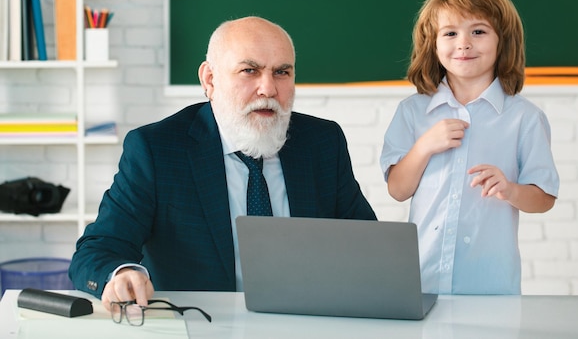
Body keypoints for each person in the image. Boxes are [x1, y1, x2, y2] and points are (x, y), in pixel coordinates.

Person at [69, 16, 376, 310]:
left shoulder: (322, 142)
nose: (269, 89)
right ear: (210, 79)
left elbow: (367, 245)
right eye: (250, 71)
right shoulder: (156, 149)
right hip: (202, 326)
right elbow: (98, 249)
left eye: (282, 72)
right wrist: (120, 275)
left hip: (304, 322)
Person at [380, 0, 559, 295]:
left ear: (502, 40)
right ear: (432, 44)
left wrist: (510, 190)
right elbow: (397, 189)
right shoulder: (412, 112)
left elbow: (544, 198)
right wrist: (424, 147)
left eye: (478, 31)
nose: (463, 43)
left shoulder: (524, 118)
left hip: (490, 286)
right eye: (450, 33)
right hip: (421, 281)